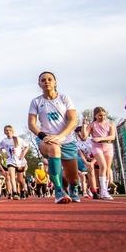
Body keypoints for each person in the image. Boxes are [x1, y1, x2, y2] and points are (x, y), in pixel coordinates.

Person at [28, 71, 80, 204]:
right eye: (43, 80)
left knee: (73, 179)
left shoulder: (64, 98)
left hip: (66, 140)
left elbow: (73, 121)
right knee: (54, 150)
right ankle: (58, 191)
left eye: (50, 79)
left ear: (55, 82)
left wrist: (60, 136)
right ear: (39, 84)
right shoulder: (36, 102)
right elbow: (31, 124)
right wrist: (43, 136)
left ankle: (72, 189)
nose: (46, 82)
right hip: (47, 139)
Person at [84, 107, 116, 200]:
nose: (102, 117)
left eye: (104, 115)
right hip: (97, 147)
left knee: (107, 169)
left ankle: (104, 190)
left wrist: (101, 138)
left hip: (108, 147)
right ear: (95, 115)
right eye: (100, 115)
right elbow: (84, 136)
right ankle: (104, 192)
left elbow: (112, 137)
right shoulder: (92, 125)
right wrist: (84, 125)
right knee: (103, 166)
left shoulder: (110, 124)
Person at [0, 125, 29, 200]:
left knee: (20, 180)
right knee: (12, 176)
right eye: (6, 130)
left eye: (9, 130)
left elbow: (27, 146)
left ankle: (22, 191)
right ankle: (15, 193)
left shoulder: (18, 139)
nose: (8, 131)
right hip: (10, 161)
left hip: (20, 161)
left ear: (12, 131)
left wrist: (22, 154)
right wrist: (4, 155)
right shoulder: (4, 141)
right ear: (4, 132)